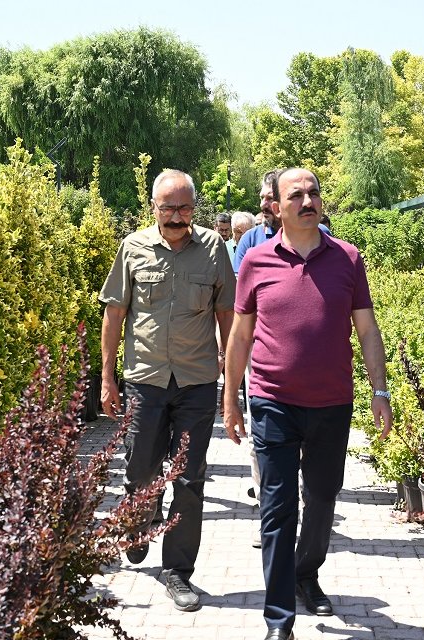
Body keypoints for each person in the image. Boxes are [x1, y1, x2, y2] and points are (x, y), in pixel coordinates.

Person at [222, 167, 393, 640]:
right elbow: (240, 335)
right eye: (295, 194)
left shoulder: (347, 259)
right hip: (272, 401)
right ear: (275, 207)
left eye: (313, 191)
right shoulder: (255, 260)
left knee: (321, 498)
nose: (307, 200)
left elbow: (368, 330)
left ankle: (306, 570)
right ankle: (279, 619)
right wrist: (231, 398)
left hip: (332, 403)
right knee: (277, 508)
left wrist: (381, 391)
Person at [100, 169, 235, 613]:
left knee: (190, 479)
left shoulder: (214, 250)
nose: (176, 217)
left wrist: (230, 375)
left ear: (194, 208)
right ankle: (140, 522)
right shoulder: (133, 247)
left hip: (196, 382)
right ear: (153, 207)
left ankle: (177, 571)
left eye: (184, 208)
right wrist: (106, 377)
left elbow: (227, 315)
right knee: (140, 470)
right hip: (145, 380)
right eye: (167, 208)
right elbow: (115, 315)